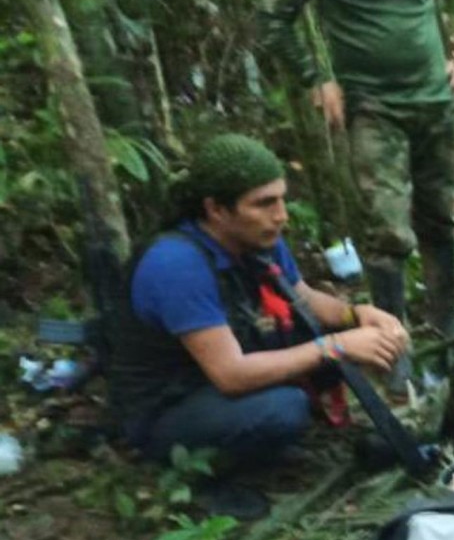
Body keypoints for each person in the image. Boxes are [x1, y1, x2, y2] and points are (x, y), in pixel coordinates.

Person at [108, 135, 409, 518]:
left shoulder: (257, 237)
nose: (281, 215)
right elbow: (230, 375)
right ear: (216, 209)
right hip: (170, 406)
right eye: (264, 204)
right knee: (284, 409)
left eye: (281, 199)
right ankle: (201, 476)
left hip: (224, 367)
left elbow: (302, 298)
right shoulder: (177, 265)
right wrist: (338, 346)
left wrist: (357, 315)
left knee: (315, 340)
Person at [259, 0, 454, 390]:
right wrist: (316, 80)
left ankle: (448, 331)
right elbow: (272, 17)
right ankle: (393, 350)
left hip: (436, 102)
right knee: (387, 231)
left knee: (440, 217)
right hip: (373, 107)